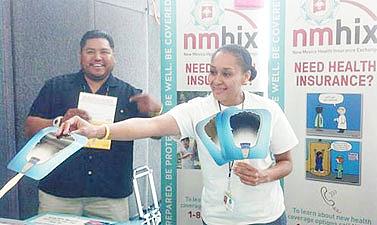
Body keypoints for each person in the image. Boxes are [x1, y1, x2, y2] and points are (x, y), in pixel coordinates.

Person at [58, 44, 298, 225]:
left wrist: (264, 176)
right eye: (212, 72)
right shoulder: (197, 109)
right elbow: (150, 127)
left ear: (246, 77)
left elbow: (286, 163)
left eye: (226, 73)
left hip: (267, 217)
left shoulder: (267, 110)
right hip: (216, 218)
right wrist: (98, 130)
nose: (216, 80)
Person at [24, 30, 162, 222]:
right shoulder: (56, 86)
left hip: (110, 196)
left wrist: (155, 112)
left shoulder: (129, 94)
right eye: (90, 51)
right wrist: (58, 122)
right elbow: (29, 127)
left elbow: (156, 134)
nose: (97, 57)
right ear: (80, 56)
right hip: (59, 192)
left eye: (104, 52)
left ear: (113, 56)